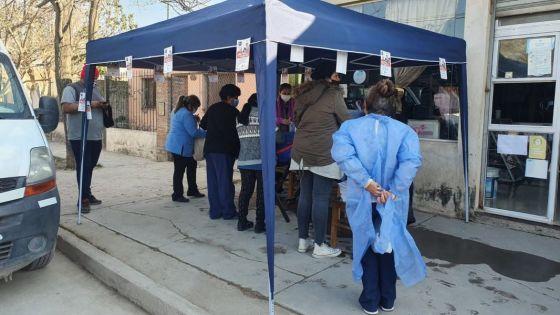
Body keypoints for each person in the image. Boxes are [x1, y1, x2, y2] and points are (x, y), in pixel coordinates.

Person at [331, 79, 426, 314]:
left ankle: (370, 300)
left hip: (362, 199)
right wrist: (392, 190)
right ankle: (388, 299)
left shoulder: (350, 128)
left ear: (365, 104)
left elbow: (343, 155)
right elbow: (411, 162)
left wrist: (368, 183)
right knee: (388, 247)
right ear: (394, 108)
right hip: (392, 201)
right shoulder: (405, 132)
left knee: (365, 246)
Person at [291, 62, 349, 258]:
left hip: (301, 150)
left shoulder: (301, 94)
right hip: (323, 152)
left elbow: (296, 121)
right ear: (330, 75)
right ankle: (319, 245)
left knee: (305, 194)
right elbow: (347, 122)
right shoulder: (333, 94)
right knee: (320, 197)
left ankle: (302, 240)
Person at [60, 65, 107, 213]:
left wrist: (103, 106)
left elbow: (95, 105)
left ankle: (87, 193)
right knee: (84, 167)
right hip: (80, 136)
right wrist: (92, 104)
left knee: (90, 166)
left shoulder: (95, 89)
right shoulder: (71, 88)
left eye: (96, 78)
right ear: (84, 76)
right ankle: (83, 200)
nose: (95, 80)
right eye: (93, 78)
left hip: (95, 136)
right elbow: (66, 107)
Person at [200, 84, 241, 220]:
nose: (237, 100)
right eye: (236, 97)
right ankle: (228, 212)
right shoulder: (233, 112)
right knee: (224, 182)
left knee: (213, 182)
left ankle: (215, 212)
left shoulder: (213, 108)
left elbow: (203, 125)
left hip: (210, 150)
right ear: (229, 97)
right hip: (225, 151)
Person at [165, 95, 206, 203]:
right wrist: (207, 133)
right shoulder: (186, 114)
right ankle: (177, 194)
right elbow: (193, 132)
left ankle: (192, 189)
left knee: (191, 167)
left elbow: (183, 124)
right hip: (181, 147)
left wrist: (193, 119)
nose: (196, 109)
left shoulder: (176, 110)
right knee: (179, 171)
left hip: (177, 145)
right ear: (190, 105)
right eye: (196, 107)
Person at [236, 93, 265, 233]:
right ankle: (260, 224)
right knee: (261, 192)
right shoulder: (264, 115)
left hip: (244, 160)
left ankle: (241, 222)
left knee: (245, 191)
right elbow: (276, 137)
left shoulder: (240, 117)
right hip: (261, 160)